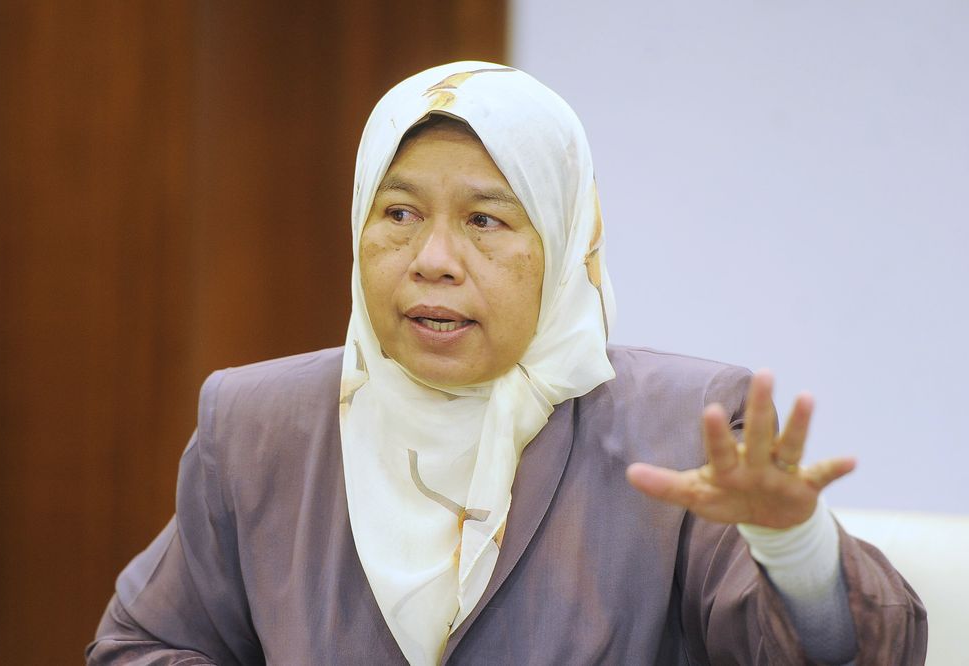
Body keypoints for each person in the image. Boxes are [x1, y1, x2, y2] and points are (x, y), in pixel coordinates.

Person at [87, 62, 926, 665]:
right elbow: (142, 644)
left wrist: (793, 550)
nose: (433, 260)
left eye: (484, 221)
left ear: (563, 247)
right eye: (399, 213)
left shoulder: (681, 426)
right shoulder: (261, 427)